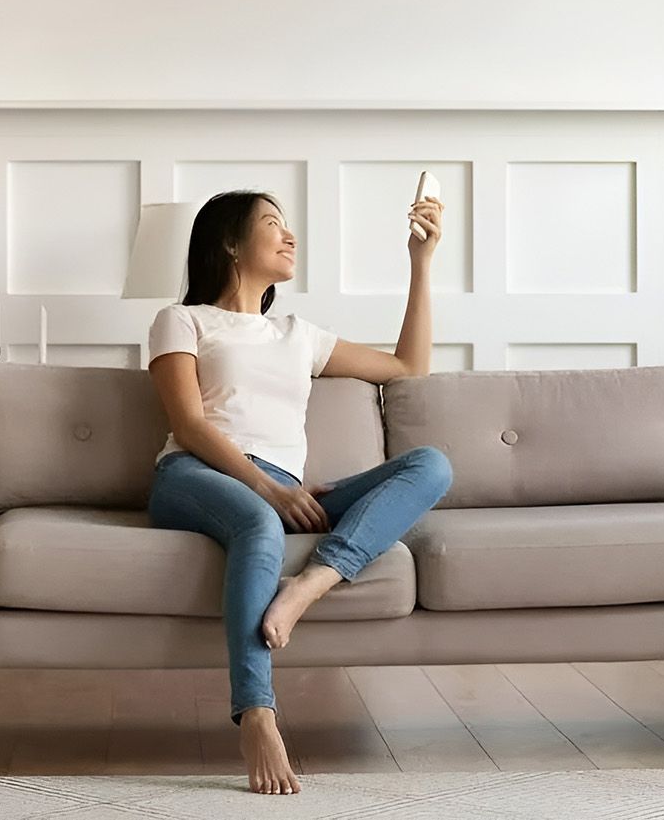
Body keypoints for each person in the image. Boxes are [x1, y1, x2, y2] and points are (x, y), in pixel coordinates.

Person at [145, 188, 451, 795]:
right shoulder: (182, 320)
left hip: (284, 490)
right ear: (230, 243)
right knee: (258, 525)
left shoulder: (297, 334)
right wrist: (266, 488)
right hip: (195, 477)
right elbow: (189, 424)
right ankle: (257, 713)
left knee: (431, 465)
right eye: (271, 225)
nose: (289, 237)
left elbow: (409, 367)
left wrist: (421, 264)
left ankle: (313, 580)